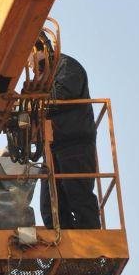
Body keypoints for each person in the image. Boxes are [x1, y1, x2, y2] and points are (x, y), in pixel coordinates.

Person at [35, 36, 101, 229]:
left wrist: (31, 100)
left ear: (38, 50)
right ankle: (63, 245)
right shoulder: (43, 76)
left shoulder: (66, 67)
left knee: (78, 195)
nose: (28, 67)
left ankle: (91, 245)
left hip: (75, 143)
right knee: (50, 206)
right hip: (53, 147)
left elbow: (59, 96)